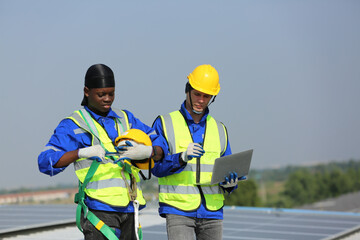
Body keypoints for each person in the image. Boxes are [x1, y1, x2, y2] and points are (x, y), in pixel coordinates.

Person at [38, 63, 166, 240]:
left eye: (111, 93)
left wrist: (149, 151)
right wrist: (81, 153)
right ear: (86, 91)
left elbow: (161, 146)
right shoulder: (73, 125)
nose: (107, 99)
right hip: (99, 211)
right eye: (101, 94)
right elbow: (45, 162)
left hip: (130, 208)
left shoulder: (126, 118)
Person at [151, 64, 245, 240]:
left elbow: (227, 169)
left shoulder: (220, 129)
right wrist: (181, 158)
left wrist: (230, 183)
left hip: (212, 212)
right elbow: (155, 168)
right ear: (187, 90)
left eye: (207, 96)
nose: (201, 100)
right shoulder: (165, 123)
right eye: (197, 94)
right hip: (178, 210)